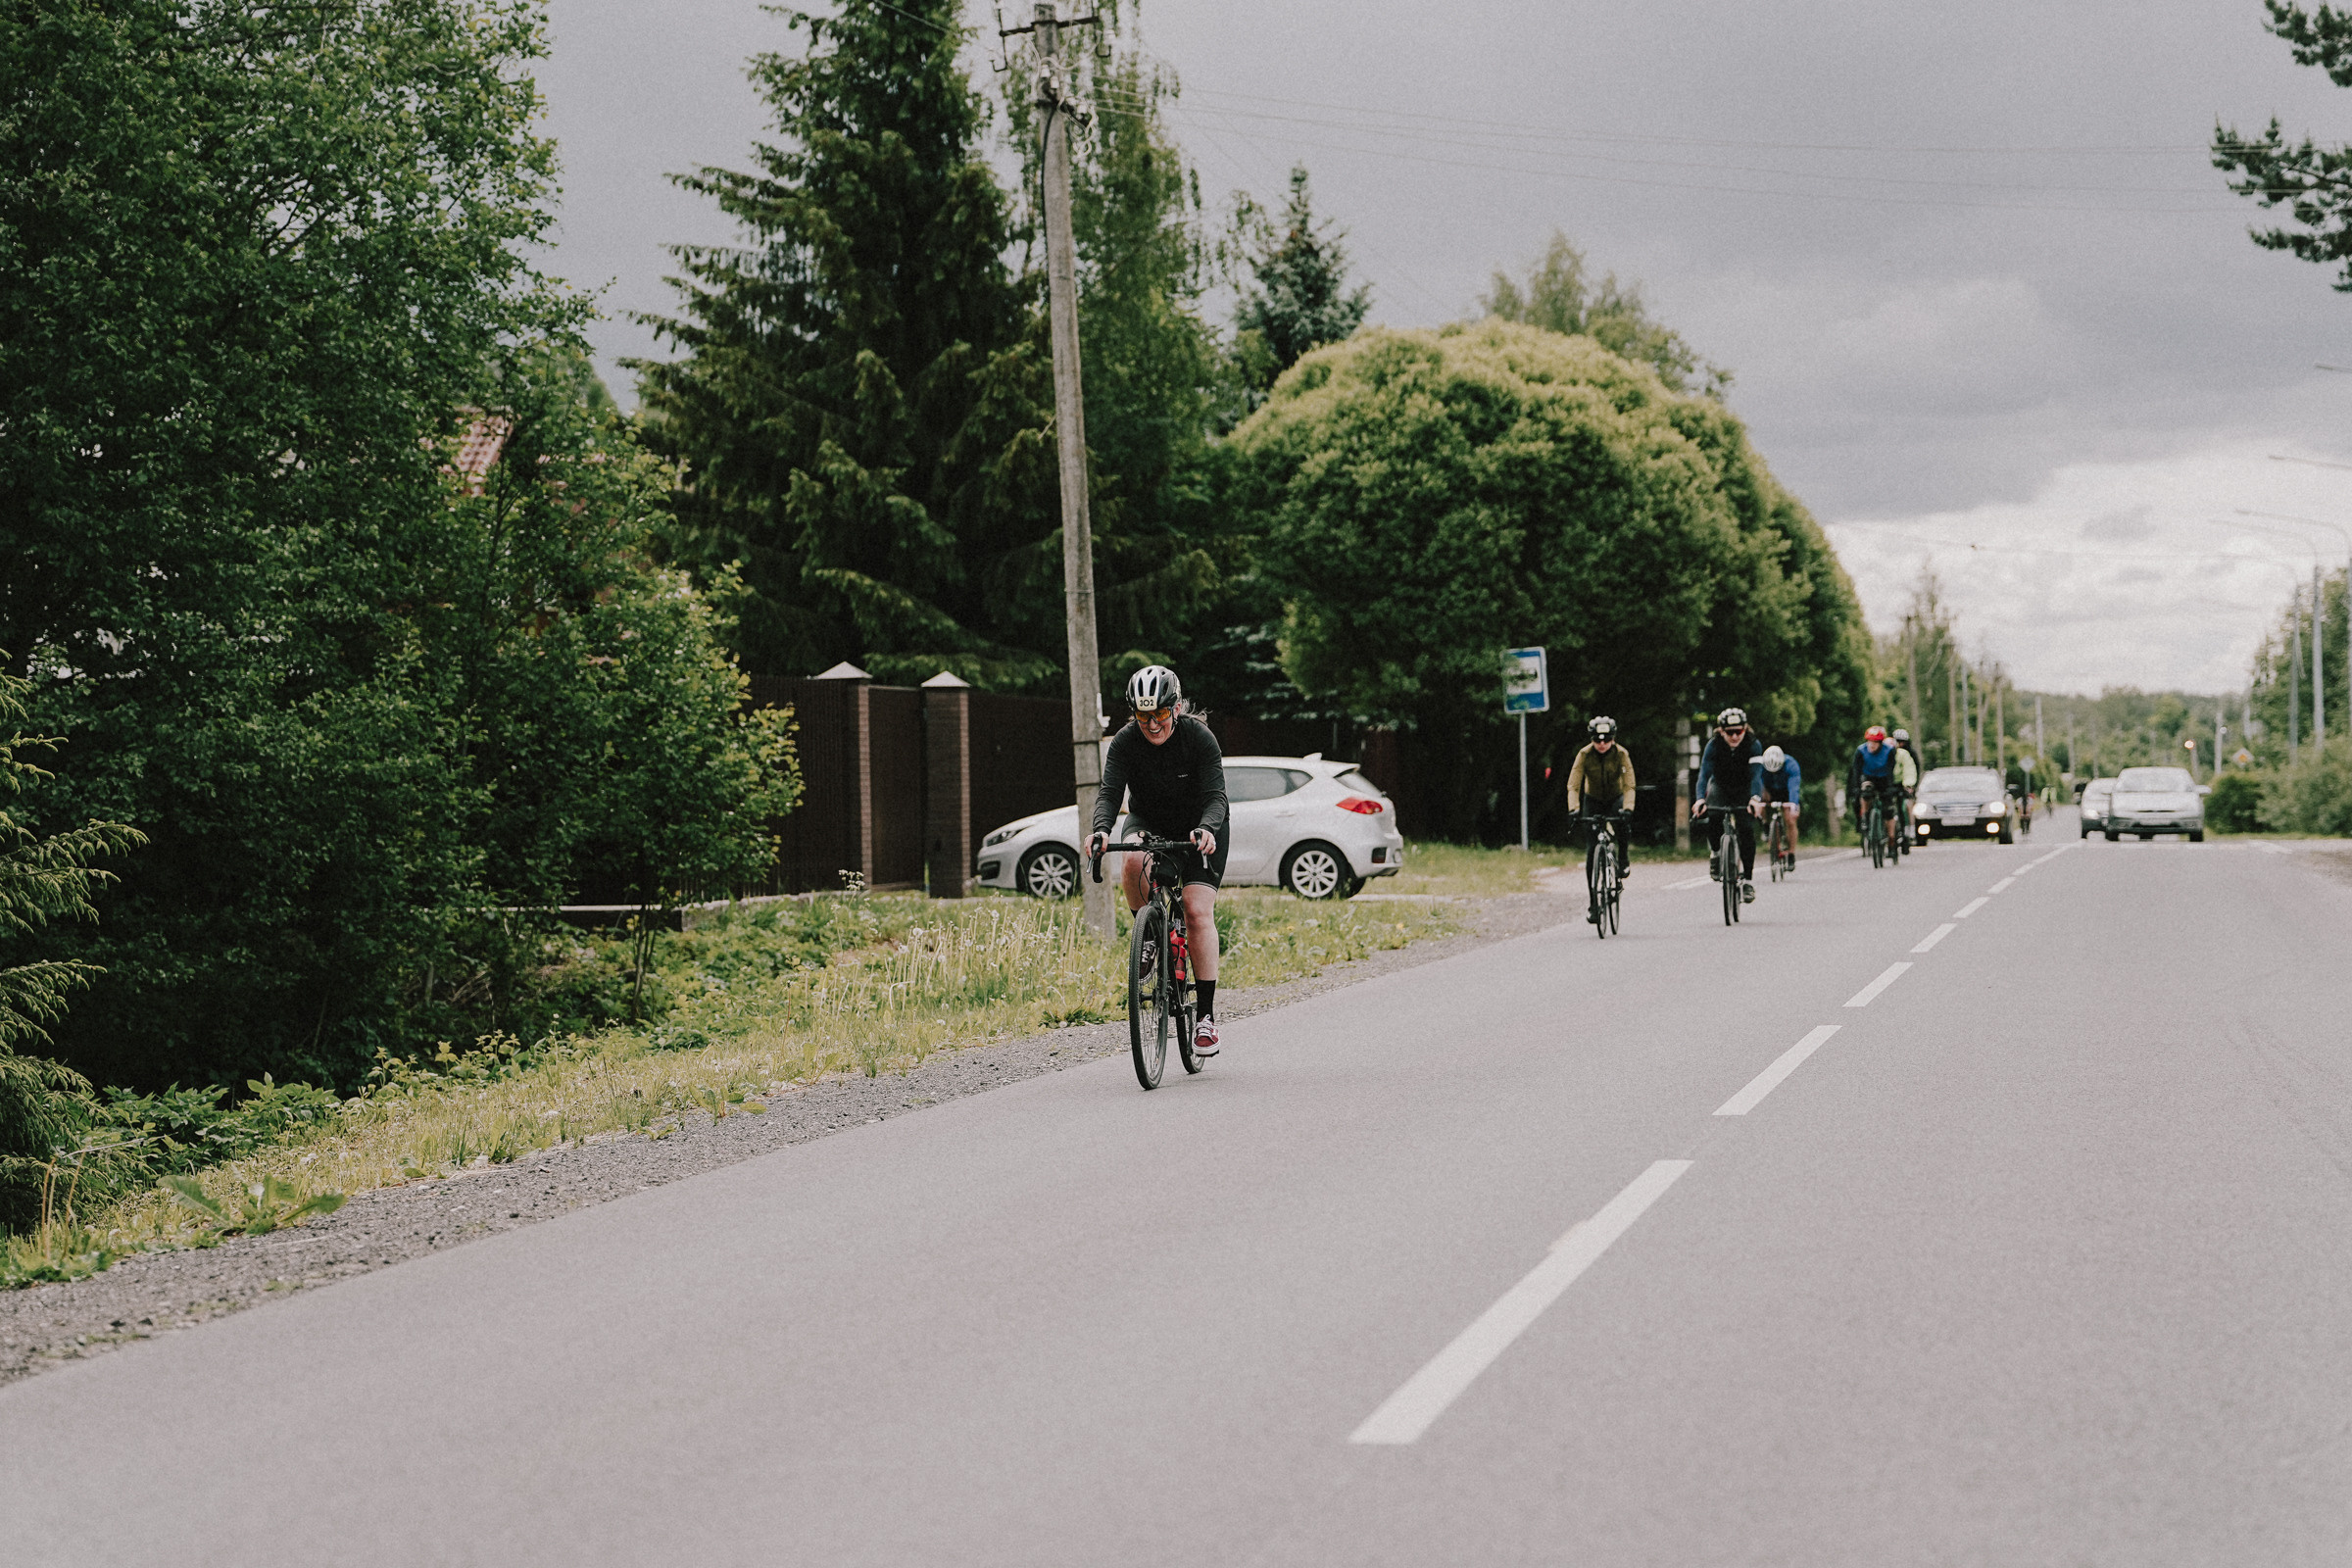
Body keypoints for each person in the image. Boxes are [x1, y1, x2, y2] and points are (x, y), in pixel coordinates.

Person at [1085, 665, 1230, 1056]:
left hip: (1201, 826)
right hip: (1149, 820)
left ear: (1176, 708)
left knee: (1196, 911)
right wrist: (1101, 830)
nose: (1152, 724)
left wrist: (1208, 828)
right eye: (1143, 715)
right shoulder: (1125, 742)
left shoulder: (1199, 738)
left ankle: (1205, 1017)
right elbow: (1110, 792)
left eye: (1161, 714)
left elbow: (1216, 796)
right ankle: (1149, 937)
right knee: (1132, 859)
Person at [1566, 715, 1637, 921]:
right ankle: (1593, 904)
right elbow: (1573, 785)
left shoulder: (1621, 754)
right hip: (1593, 800)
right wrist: (1574, 809)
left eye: (1607, 740)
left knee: (1622, 824)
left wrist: (1628, 808)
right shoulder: (1584, 754)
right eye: (1598, 740)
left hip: (1615, 798)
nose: (1602, 744)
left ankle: (1623, 858)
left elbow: (1629, 785)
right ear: (1592, 739)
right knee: (1591, 850)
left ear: (1613, 739)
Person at [1691, 707, 1765, 902]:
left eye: (1738, 731)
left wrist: (1755, 798)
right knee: (1713, 816)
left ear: (1745, 729)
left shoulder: (1753, 744)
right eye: (1729, 732)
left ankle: (1747, 880)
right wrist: (1700, 799)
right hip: (1720, 786)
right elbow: (1704, 774)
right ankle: (1716, 853)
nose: (1734, 736)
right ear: (1721, 731)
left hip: (1744, 789)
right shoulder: (1713, 745)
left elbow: (1756, 775)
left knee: (1746, 829)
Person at [1846, 725, 1902, 846]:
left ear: (1880, 743)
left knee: (1888, 810)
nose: (1871, 745)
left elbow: (1890, 770)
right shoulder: (1861, 751)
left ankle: (1891, 840)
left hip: (1884, 778)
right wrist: (1856, 787)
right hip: (1868, 777)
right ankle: (1865, 817)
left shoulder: (1889, 751)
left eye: (1875, 742)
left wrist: (1890, 787)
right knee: (1865, 793)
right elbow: (1856, 770)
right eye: (1870, 741)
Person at [1758, 744, 1801, 863]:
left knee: (1790, 820)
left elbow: (1794, 788)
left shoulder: (1791, 765)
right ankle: (1766, 826)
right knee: (1760, 803)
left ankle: (1791, 853)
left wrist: (1793, 805)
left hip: (1786, 791)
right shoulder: (1761, 766)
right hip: (1769, 790)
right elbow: (1757, 783)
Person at [1889, 728, 1922, 854]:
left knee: (1908, 805)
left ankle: (1910, 831)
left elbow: (1913, 770)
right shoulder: (1889, 752)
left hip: (1905, 783)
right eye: (1898, 742)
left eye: (1902, 742)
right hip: (1891, 783)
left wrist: (1911, 786)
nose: (1900, 744)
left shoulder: (1910, 754)